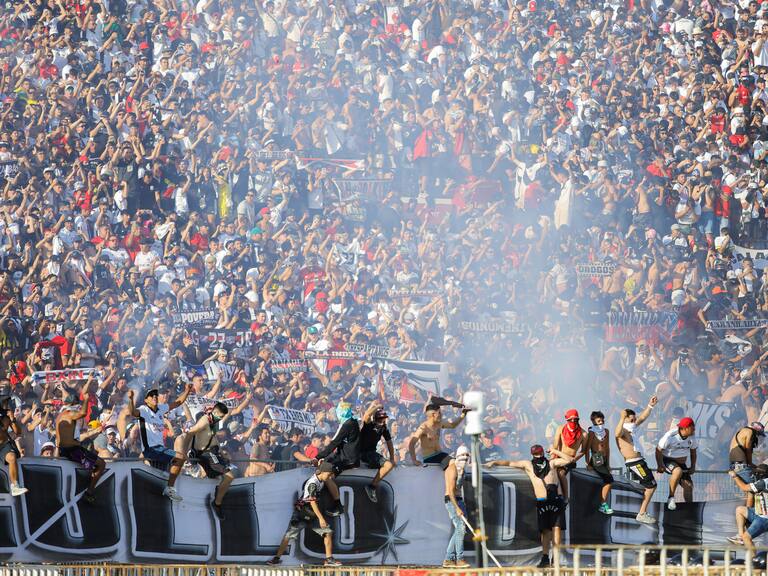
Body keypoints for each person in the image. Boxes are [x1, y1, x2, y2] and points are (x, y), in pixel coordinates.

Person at [487, 445, 568, 568]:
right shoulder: (528, 464)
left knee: (556, 529)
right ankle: (545, 558)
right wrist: (494, 462)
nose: (539, 455)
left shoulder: (551, 463)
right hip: (542, 500)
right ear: (532, 454)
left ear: (543, 452)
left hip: (555, 499)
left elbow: (569, 460)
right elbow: (509, 463)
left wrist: (555, 451)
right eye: (536, 454)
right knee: (545, 531)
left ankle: (556, 559)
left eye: (540, 453)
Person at [183, 393, 250, 518]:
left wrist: (220, 450)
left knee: (218, 477)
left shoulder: (215, 422)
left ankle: (214, 501)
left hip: (212, 452)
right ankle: (217, 503)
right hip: (205, 453)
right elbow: (190, 433)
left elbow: (212, 437)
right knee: (229, 476)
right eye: (220, 416)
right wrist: (185, 452)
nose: (221, 419)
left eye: (222, 417)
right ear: (214, 412)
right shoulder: (205, 421)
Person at [266, 461, 341, 567]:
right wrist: (321, 518)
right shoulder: (312, 483)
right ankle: (276, 559)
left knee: (327, 532)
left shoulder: (321, 478)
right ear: (322, 472)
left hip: (312, 514)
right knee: (289, 535)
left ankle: (329, 559)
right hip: (302, 513)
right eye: (328, 475)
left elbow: (320, 469)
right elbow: (312, 502)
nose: (329, 477)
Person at [127, 385, 193, 502]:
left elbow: (178, 402)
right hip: (151, 450)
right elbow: (132, 412)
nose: (154, 397)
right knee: (180, 457)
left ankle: (161, 492)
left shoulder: (160, 409)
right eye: (151, 395)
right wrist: (131, 399)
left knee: (159, 479)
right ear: (146, 400)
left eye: (156, 395)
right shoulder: (144, 409)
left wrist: (187, 390)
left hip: (160, 449)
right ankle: (170, 488)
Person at [55, 390, 107, 503]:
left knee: (94, 465)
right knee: (101, 464)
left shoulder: (60, 416)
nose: (79, 407)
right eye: (78, 404)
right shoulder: (69, 413)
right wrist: (87, 399)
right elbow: (83, 413)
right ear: (73, 404)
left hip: (66, 450)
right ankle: (89, 493)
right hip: (72, 450)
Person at [615, 396, 658, 524]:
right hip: (634, 462)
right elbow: (617, 434)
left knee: (649, 485)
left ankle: (640, 507)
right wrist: (622, 417)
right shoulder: (622, 429)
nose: (634, 421)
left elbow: (643, 417)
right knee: (651, 486)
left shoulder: (632, 427)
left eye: (634, 419)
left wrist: (650, 405)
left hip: (639, 461)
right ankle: (641, 513)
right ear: (626, 419)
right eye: (631, 419)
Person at [314, 401, 361, 516]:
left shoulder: (347, 424)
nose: (337, 415)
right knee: (323, 467)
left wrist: (318, 456)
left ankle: (338, 505)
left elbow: (334, 442)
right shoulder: (352, 422)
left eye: (338, 412)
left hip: (347, 460)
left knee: (326, 474)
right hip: (345, 457)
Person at [409, 398, 468, 469]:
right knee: (452, 462)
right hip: (429, 458)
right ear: (433, 414)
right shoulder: (423, 427)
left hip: (440, 456)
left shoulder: (439, 424)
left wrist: (463, 414)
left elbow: (453, 425)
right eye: (439, 413)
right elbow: (411, 443)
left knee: (456, 463)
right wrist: (414, 460)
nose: (441, 415)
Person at [655, 417, 697, 511]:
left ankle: (689, 508)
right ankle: (671, 498)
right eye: (692, 427)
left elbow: (693, 452)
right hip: (668, 460)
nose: (694, 429)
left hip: (682, 464)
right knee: (678, 471)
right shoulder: (670, 436)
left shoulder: (692, 436)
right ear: (685, 428)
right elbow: (658, 450)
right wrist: (660, 465)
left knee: (688, 486)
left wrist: (693, 466)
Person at [359, 401, 396, 503]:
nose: (384, 421)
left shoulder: (383, 428)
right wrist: (376, 406)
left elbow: (389, 443)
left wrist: (392, 458)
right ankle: (372, 487)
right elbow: (366, 415)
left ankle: (371, 486)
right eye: (382, 418)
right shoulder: (369, 425)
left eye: (384, 418)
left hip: (371, 454)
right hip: (362, 453)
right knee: (388, 465)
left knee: (389, 464)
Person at [443, 445, 471, 569]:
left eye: (467, 455)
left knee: (460, 529)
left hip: (459, 500)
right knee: (460, 528)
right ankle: (459, 559)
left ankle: (449, 558)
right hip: (452, 500)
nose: (465, 458)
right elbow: (450, 491)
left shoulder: (462, 469)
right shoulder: (452, 469)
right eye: (462, 455)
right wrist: (457, 507)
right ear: (457, 456)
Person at [727, 465, 768, 550]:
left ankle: (753, 561)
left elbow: (744, 487)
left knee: (747, 537)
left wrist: (734, 476)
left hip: (765, 518)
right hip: (759, 513)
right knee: (740, 510)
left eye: (758, 473)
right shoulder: (763, 482)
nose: (755, 475)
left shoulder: (763, 482)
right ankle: (740, 537)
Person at [551, 408, 586, 501]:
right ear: (567, 419)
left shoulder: (583, 433)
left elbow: (583, 450)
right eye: (571, 419)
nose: (573, 421)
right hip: (559, 457)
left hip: (570, 460)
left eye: (575, 419)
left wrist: (576, 458)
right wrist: (552, 456)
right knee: (549, 469)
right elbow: (555, 445)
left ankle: (566, 497)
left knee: (561, 473)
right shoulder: (560, 429)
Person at [730, 422, 766, 507]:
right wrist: (750, 464)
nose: (758, 437)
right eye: (759, 434)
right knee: (751, 492)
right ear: (757, 430)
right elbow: (748, 450)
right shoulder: (751, 432)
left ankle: (746, 513)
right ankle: (749, 515)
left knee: (748, 492)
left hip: (735, 465)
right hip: (741, 465)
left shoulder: (740, 431)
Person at [586, 411, 614, 515]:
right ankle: (603, 504)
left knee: (608, 480)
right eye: (598, 420)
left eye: (602, 420)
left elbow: (607, 448)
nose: (601, 422)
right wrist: (588, 463)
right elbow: (587, 448)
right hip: (596, 458)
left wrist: (608, 464)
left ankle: (603, 504)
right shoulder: (592, 432)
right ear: (593, 421)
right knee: (609, 480)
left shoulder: (606, 431)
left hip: (604, 459)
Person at [0, 395, 27, 496]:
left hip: (4, 445)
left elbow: (18, 432)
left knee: (12, 457)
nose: (8, 405)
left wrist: (12, 419)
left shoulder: (8, 416)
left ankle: (15, 486)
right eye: (6, 402)